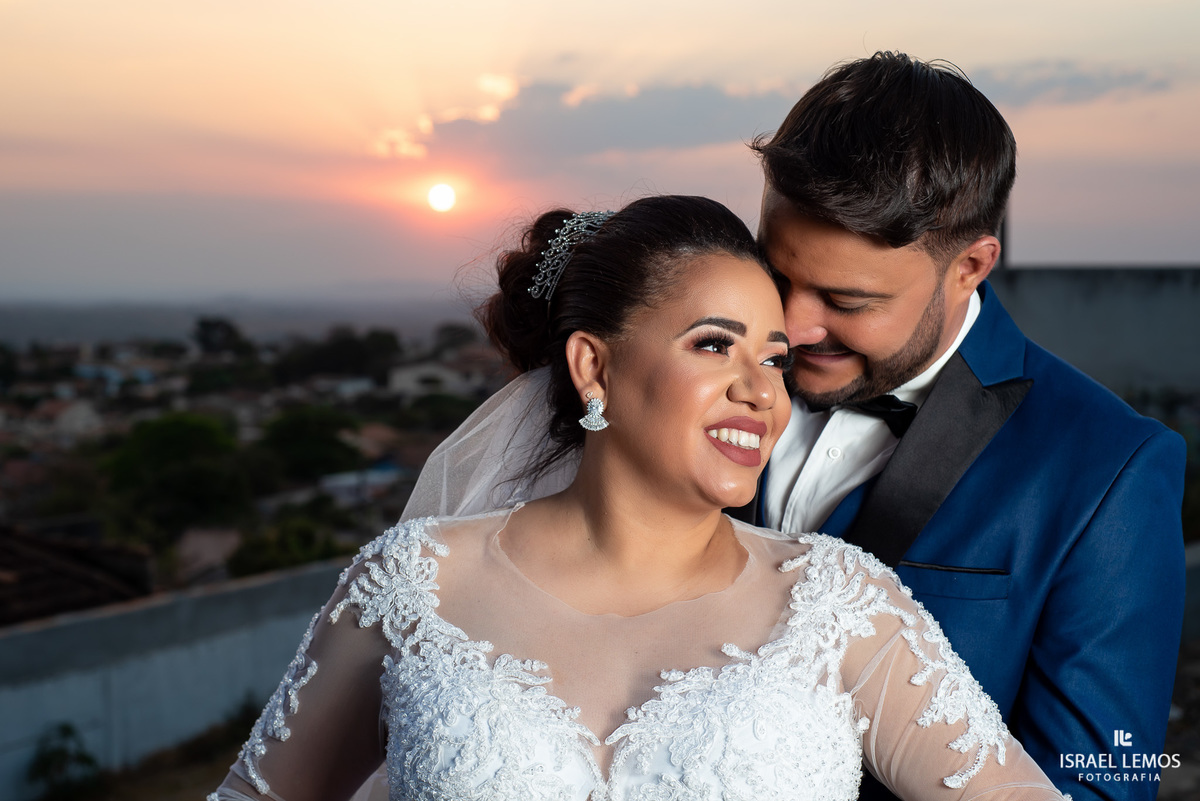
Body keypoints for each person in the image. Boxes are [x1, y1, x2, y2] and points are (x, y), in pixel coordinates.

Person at [210, 196, 1068, 801]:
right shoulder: (415, 585)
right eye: (714, 345)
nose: (761, 391)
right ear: (594, 365)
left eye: (774, 359)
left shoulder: (835, 602)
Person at [743, 52, 1186, 801]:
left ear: (972, 265)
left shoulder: (1109, 470)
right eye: (775, 273)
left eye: (846, 301)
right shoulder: (692, 376)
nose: (789, 325)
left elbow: (1098, 785)